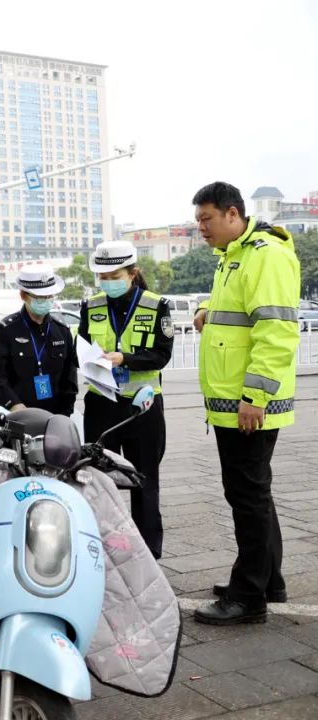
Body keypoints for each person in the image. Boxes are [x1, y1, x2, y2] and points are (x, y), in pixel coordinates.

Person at [190, 181, 300, 625]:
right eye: (198, 220)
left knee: (247, 495)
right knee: (254, 491)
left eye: (207, 219)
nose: (202, 228)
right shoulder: (234, 256)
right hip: (232, 403)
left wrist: (255, 396)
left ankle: (248, 595)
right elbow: (238, 309)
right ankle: (267, 579)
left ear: (233, 214)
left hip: (248, 404)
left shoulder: (265, 254)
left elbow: (276, 331)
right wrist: (206, 310)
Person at [79, 240, 173, 560]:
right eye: (102, 276)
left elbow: (162, 354)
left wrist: (126, 359)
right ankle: (101, 547)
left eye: (113, 274)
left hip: (141, 406)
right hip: (101, 403)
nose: (107, 281)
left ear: (132, 273)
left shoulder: (156, 305)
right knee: (99, 479)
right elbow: (83, 348)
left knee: (144, 479)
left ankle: (147, 553)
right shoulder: (90, 306)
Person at [0, 266, 80, 485]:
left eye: (48, 296)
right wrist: (16, 408)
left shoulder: (61, 330)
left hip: (53, 422)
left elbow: (69, 379)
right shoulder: (5, 330)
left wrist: (62, 417)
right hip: (15, 421)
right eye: (38, 296)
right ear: (23, 296)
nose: (44, 301)